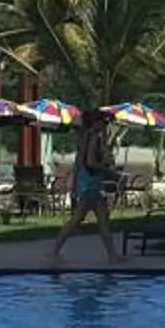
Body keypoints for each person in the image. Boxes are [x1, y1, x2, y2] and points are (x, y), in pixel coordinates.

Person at [49, 105, 122, 268]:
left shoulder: (86, 137)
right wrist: (108, 171)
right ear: (95, 123)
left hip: (87, 181)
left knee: (97, 218)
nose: (105, 125)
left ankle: (113, 255)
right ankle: (53, 251)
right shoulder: (94, 137)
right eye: (103, 122)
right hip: (90, 182)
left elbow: (79, 163)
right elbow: (90, 162)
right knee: (80, 219)